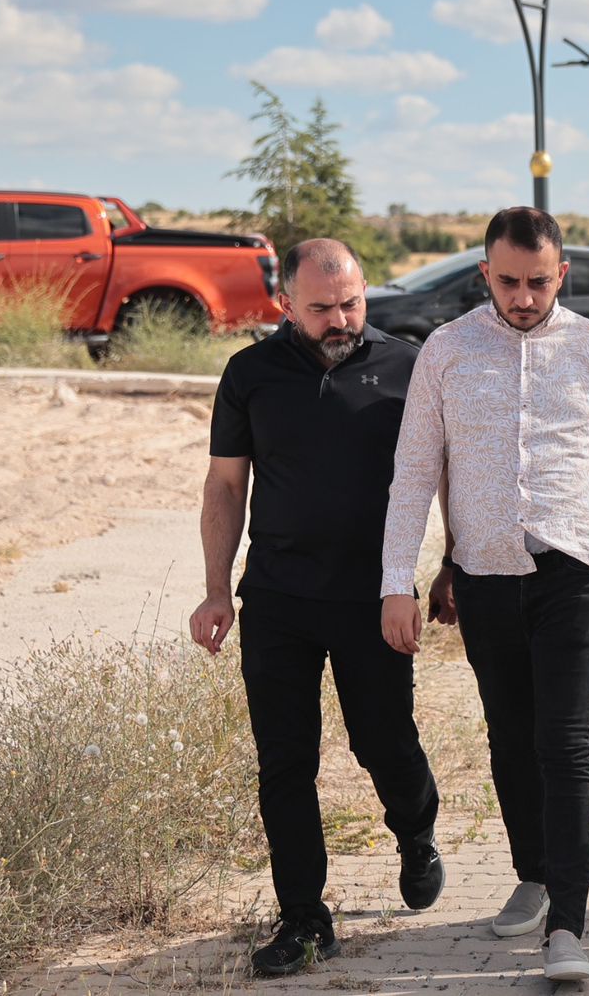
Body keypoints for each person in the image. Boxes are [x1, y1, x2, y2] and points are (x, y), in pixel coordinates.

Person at [378, 207, 589, 984]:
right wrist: (398, 583)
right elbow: (413, 475)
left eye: (538, 282)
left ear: (561, 274)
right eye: (508, 282)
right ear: (485, 275)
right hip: (486, 575)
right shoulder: (446, 350)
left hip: (579, 569)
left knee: (565, 742)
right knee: (509, 736)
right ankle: (533, 873)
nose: (524, 297)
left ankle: (568, 923)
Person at [190, 238, 444, 978]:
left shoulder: (408, 366)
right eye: (321, 308)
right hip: (277, 597)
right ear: (285, 305)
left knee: (384, 743)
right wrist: (216, 587)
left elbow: (446, 472)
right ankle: (304, 916)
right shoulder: (250, 374)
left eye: (351, 303)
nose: (340, 320)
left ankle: (416, 830)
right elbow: (225, 485)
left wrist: (450, 567)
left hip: (373, 598)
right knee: (285, 762)